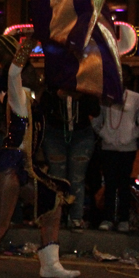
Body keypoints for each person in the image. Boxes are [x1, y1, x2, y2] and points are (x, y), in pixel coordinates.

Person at [0, 35, 79, 278]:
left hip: (26, 168)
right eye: (32, 70)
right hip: (10, 166)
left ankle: (50, 264)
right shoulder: (16, 94)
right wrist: (28, 43)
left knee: (53, 203)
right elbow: (15, 70)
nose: (36, 73)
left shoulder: (33, 99)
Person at [92, 64, 139, 232]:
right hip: (108, 146)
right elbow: (96, 120)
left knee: (124, 183)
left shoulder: (135, 98)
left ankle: (123, 219)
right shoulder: (104, 96)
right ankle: (108, 218)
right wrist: (105, 134)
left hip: (128, 148)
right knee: (109, 183)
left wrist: (131, 135)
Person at [40, 79, 101, 232]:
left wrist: (81, 95)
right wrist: (57, 96)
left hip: (81, 135)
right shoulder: (51, 87)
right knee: (56, 177)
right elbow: (43, 109)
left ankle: (75, 218)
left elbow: (95, 110)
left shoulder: (86, 87)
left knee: (77, 178)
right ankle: (56, 217)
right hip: (55, 134)